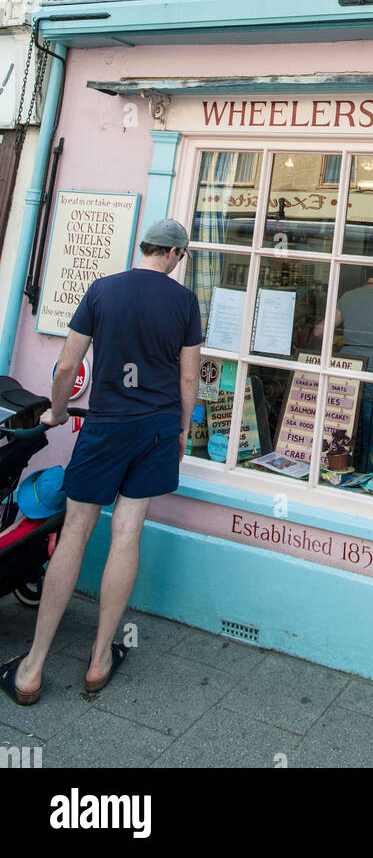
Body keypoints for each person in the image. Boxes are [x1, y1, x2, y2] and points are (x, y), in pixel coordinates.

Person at [0, 219, 201, 706]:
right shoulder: (184, 301)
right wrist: (180, 431)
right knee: (127, 533)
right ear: (176, 255)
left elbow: (67, 366)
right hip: (153, 427)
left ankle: (32, 667)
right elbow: (189, 379)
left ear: (145, 247)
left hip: (106, 425)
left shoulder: (102, 290)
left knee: (74, 532)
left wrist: (58, 410)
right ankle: (98, 660)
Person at [316, 267, 373, 473]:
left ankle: (338, 478)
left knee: (344, 432)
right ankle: (367, 485)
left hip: (348, 370)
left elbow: (320, 330)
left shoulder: (348, 297)